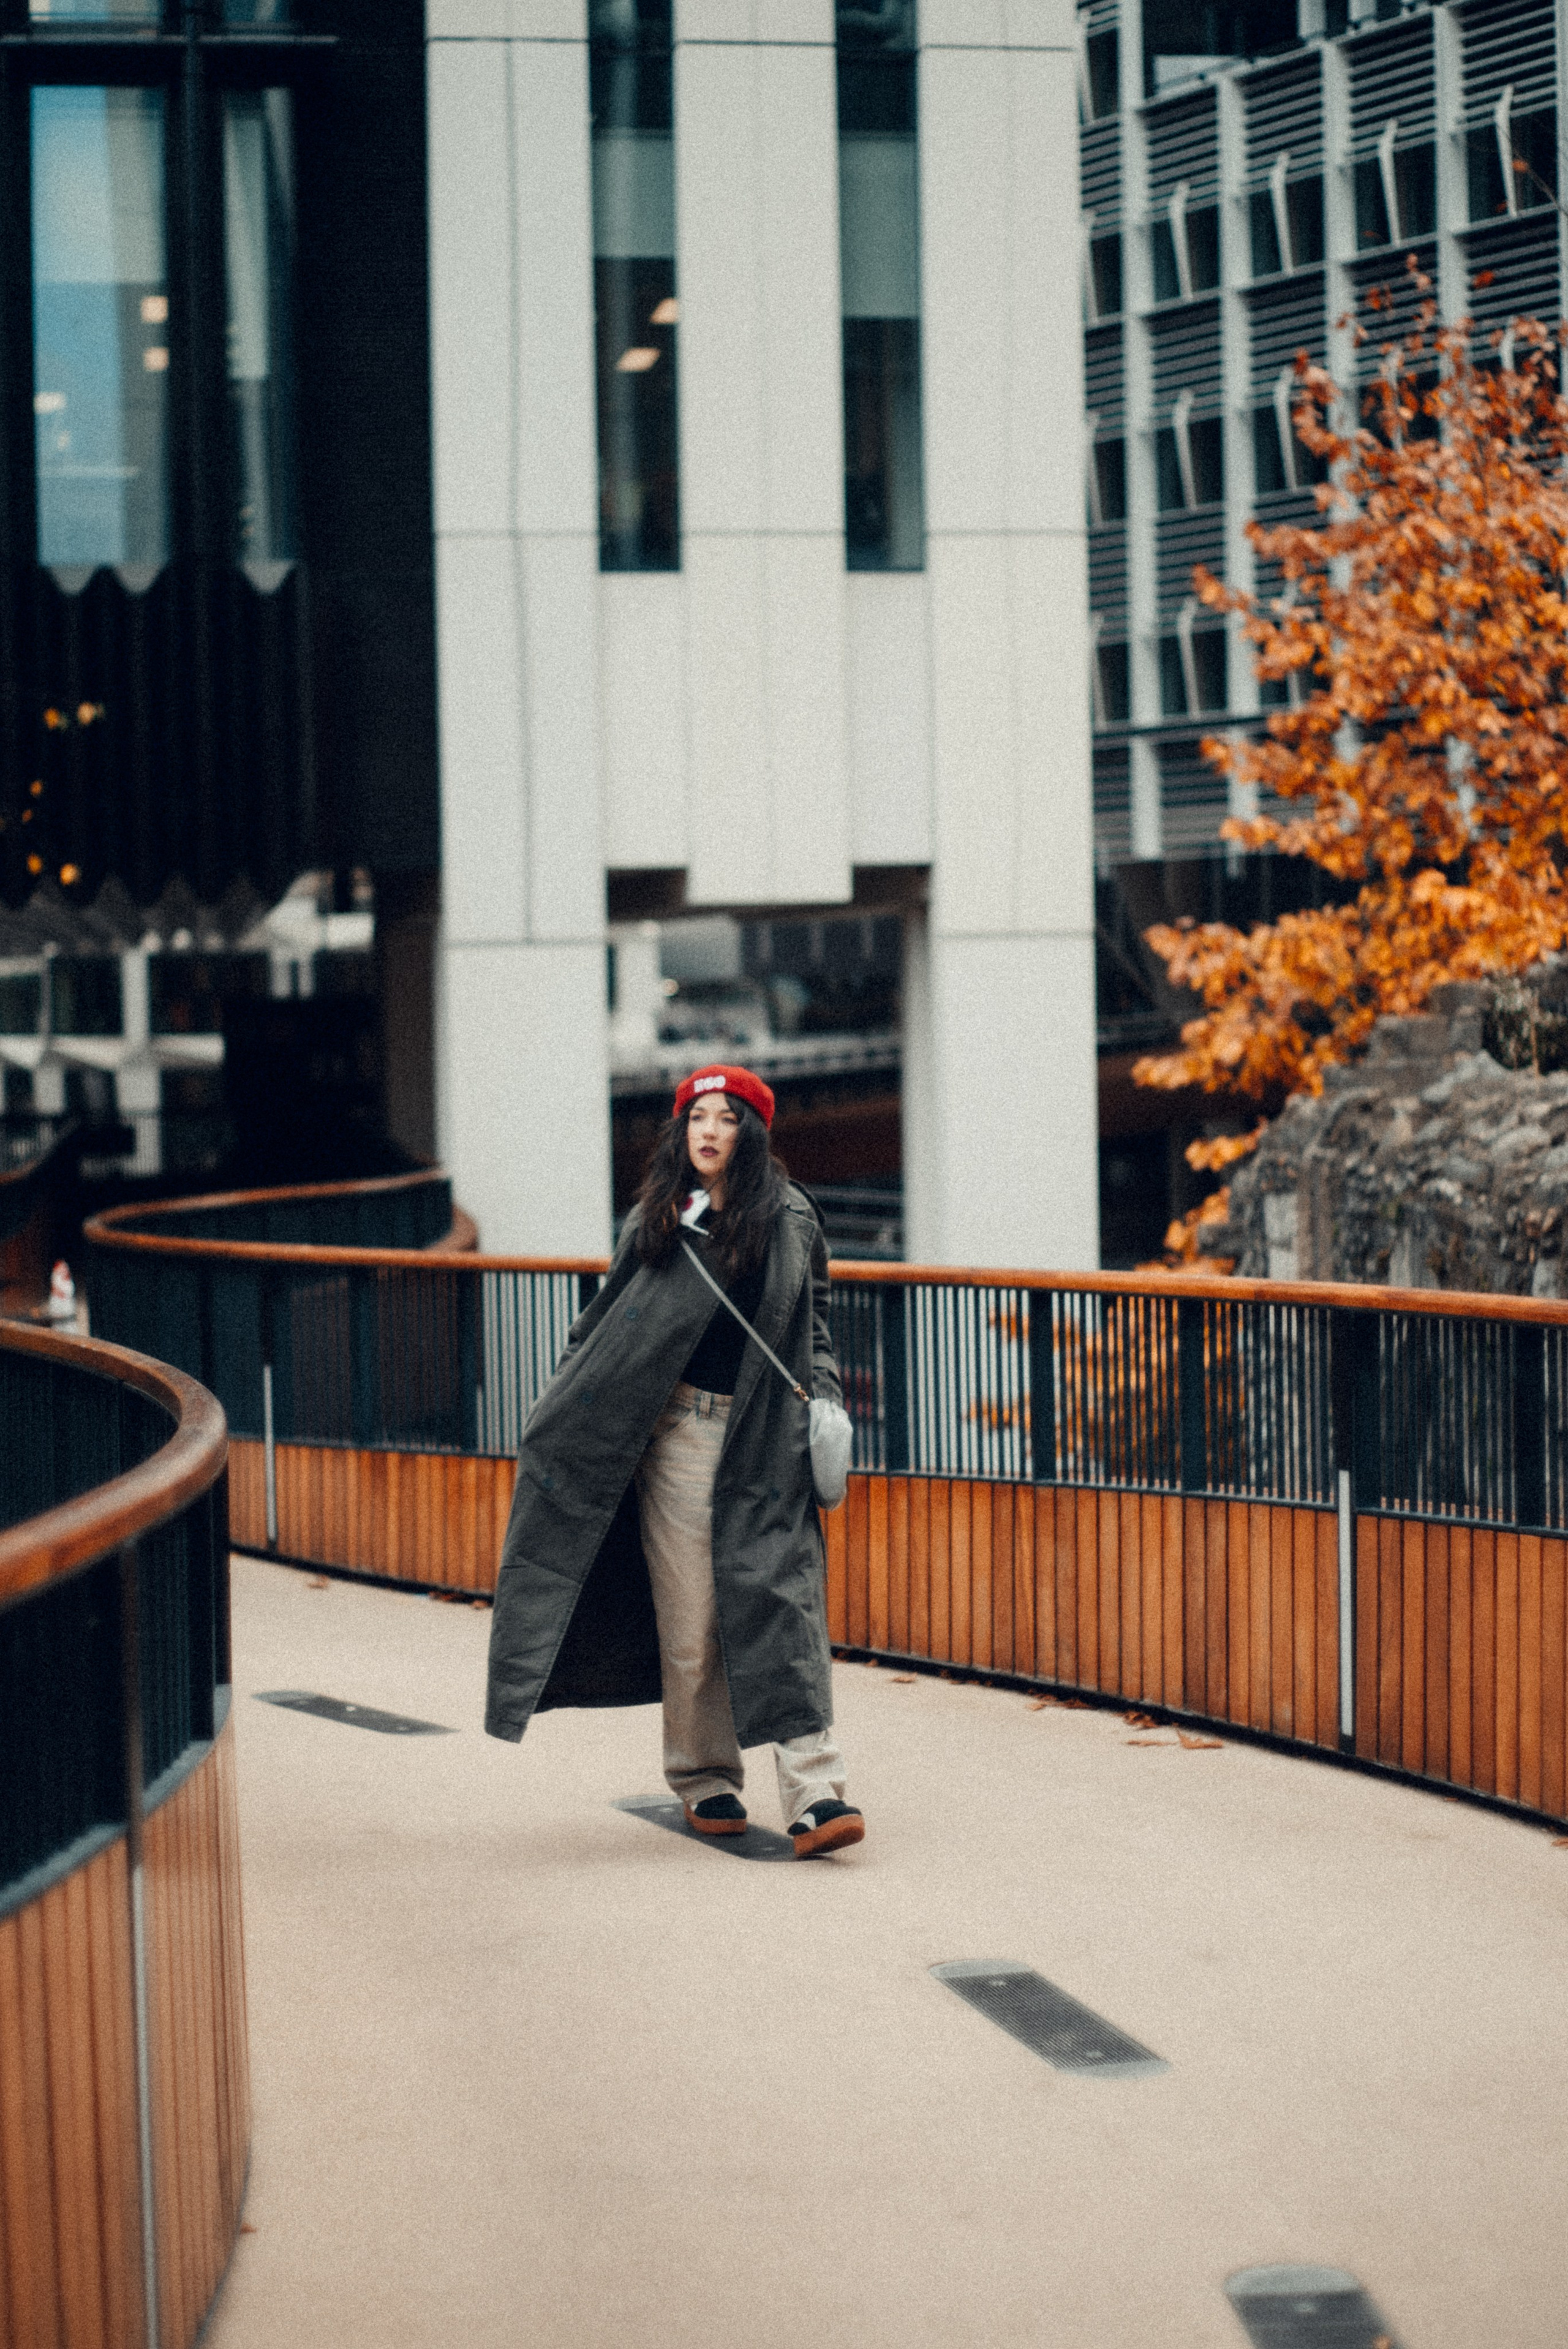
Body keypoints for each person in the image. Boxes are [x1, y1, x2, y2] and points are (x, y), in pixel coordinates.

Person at [484, 1062, 864, 1860]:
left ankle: (817, 1794)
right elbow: (601, 1320)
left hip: (765, 1437)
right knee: (694, 1621)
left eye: (726, 1118)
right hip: (681, 1434)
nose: (708, 1131)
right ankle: (705, 1778)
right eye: (696, 1116)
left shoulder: (792, 1218)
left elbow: (816, 1323)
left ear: (751, 1133)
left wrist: (824, 1395)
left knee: (780, 1601)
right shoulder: (662, 1217)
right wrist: (562, 1402)